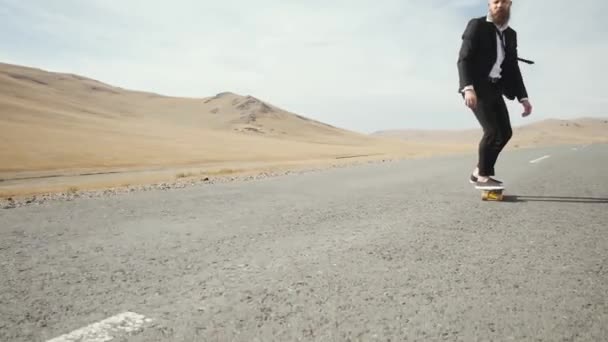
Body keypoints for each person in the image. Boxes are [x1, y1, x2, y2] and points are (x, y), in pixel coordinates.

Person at [457, 0, 533, 190]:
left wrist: (523, 98)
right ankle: (483, 176)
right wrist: (468, 88)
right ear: (489, 4)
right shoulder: (477, 25)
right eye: (495, 1)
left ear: (510, 5)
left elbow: (512, 68)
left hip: (495, 88)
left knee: (505, 133)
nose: (499, 5)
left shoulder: (511, 34)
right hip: (477, 88)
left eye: (504, 2)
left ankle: (478, 171)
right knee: (491, 132)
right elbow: (464, 58)